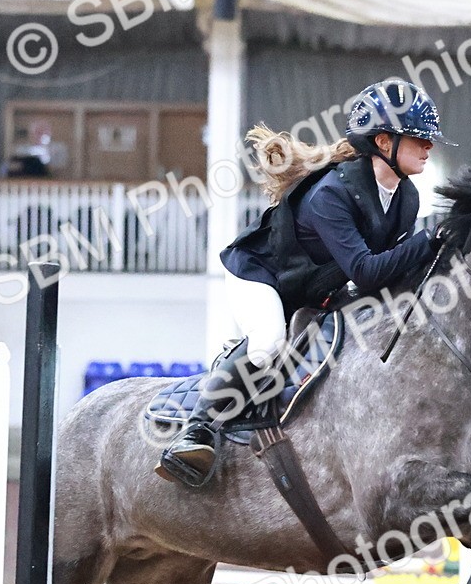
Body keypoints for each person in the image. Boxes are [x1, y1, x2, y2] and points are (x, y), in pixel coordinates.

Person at [156, 79, 454, 486]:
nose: (429, 147)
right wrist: (429, 239)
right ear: (384, 142)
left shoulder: (406, 198)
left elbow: (389, 276)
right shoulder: (331, 194)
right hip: (260, 276)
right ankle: (197, 429)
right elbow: (366, 271)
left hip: (318, 287)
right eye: (419, 138)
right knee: (268, 343)